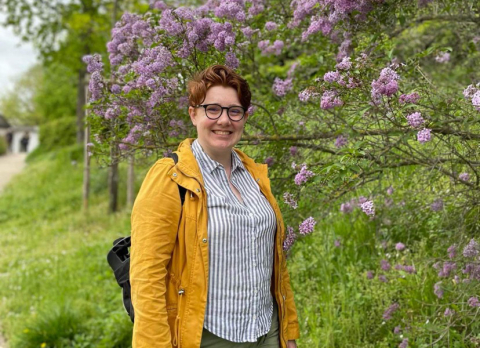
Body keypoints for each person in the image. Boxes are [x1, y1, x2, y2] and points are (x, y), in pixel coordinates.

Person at [130, 65, 299, 348]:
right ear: (193, 113)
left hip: (266, 331)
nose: (224, 120)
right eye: (212, 109)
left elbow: (276, 268)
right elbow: (146, 277)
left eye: (234, 111)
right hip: (208, 337)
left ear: (244, 117)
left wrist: (287, 335)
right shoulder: (170, 177)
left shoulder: (254, 175)